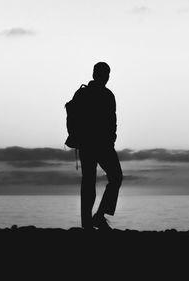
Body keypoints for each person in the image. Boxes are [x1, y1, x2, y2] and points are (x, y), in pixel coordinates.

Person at [74, 62, 123, 230]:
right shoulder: (104, 95)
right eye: (104, 74)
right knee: (111, 178)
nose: (106, 77)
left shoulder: (83, 94)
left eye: (107, 74)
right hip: (99, 145)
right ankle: (96, 218)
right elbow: (112, 122)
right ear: (97, 75)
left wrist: (111, 139)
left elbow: (112, 122)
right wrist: (110, 140)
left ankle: (91, 221)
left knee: (90, 181)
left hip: (90, 145)